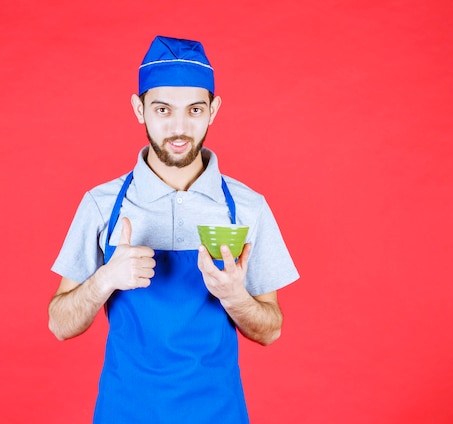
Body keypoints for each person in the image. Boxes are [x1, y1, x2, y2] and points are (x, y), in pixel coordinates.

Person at [48, 35, 299, 424]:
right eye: (163, 109)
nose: (179, 128)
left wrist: (236, 298)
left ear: (213, 110)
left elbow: (271, 330)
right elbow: (59, 324)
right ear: (139, 109)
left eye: (194, 109)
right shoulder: (102, 204)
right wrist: (104, 280)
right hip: (125, 411)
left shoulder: (248, 207)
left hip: (218, 412)